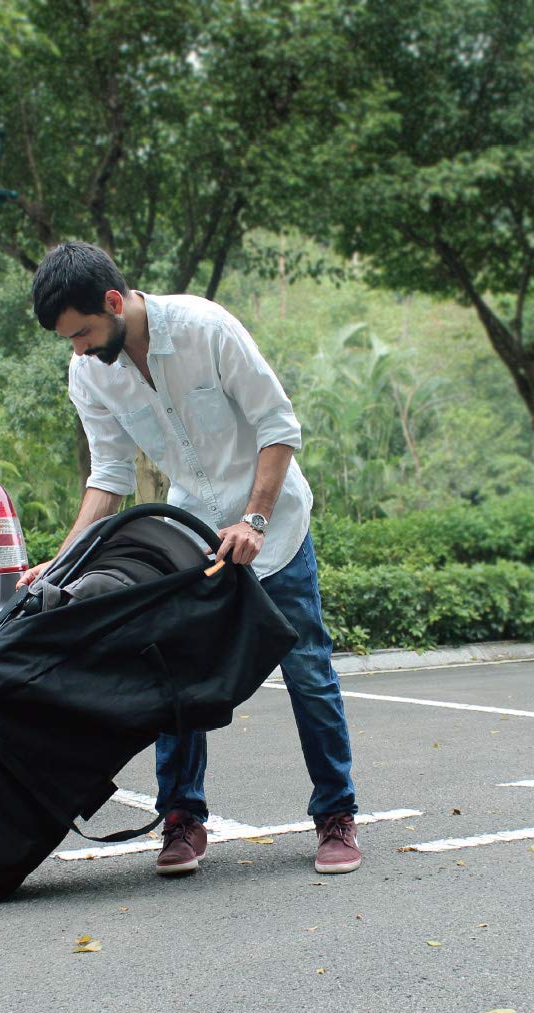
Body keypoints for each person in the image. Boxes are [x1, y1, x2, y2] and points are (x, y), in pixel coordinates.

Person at [20, 241, 360, 876]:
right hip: (192, 534)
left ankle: (336, 816)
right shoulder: (90, 372)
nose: (79, 350)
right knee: (174, 680)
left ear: (114, 302)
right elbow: (110, 474)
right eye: (69, 340)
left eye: (84, 333)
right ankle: (182, 819)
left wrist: (254, 518)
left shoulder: (206, 327)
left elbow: (278, 426)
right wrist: (63, 561)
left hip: (274, 527)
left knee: (308, 673)